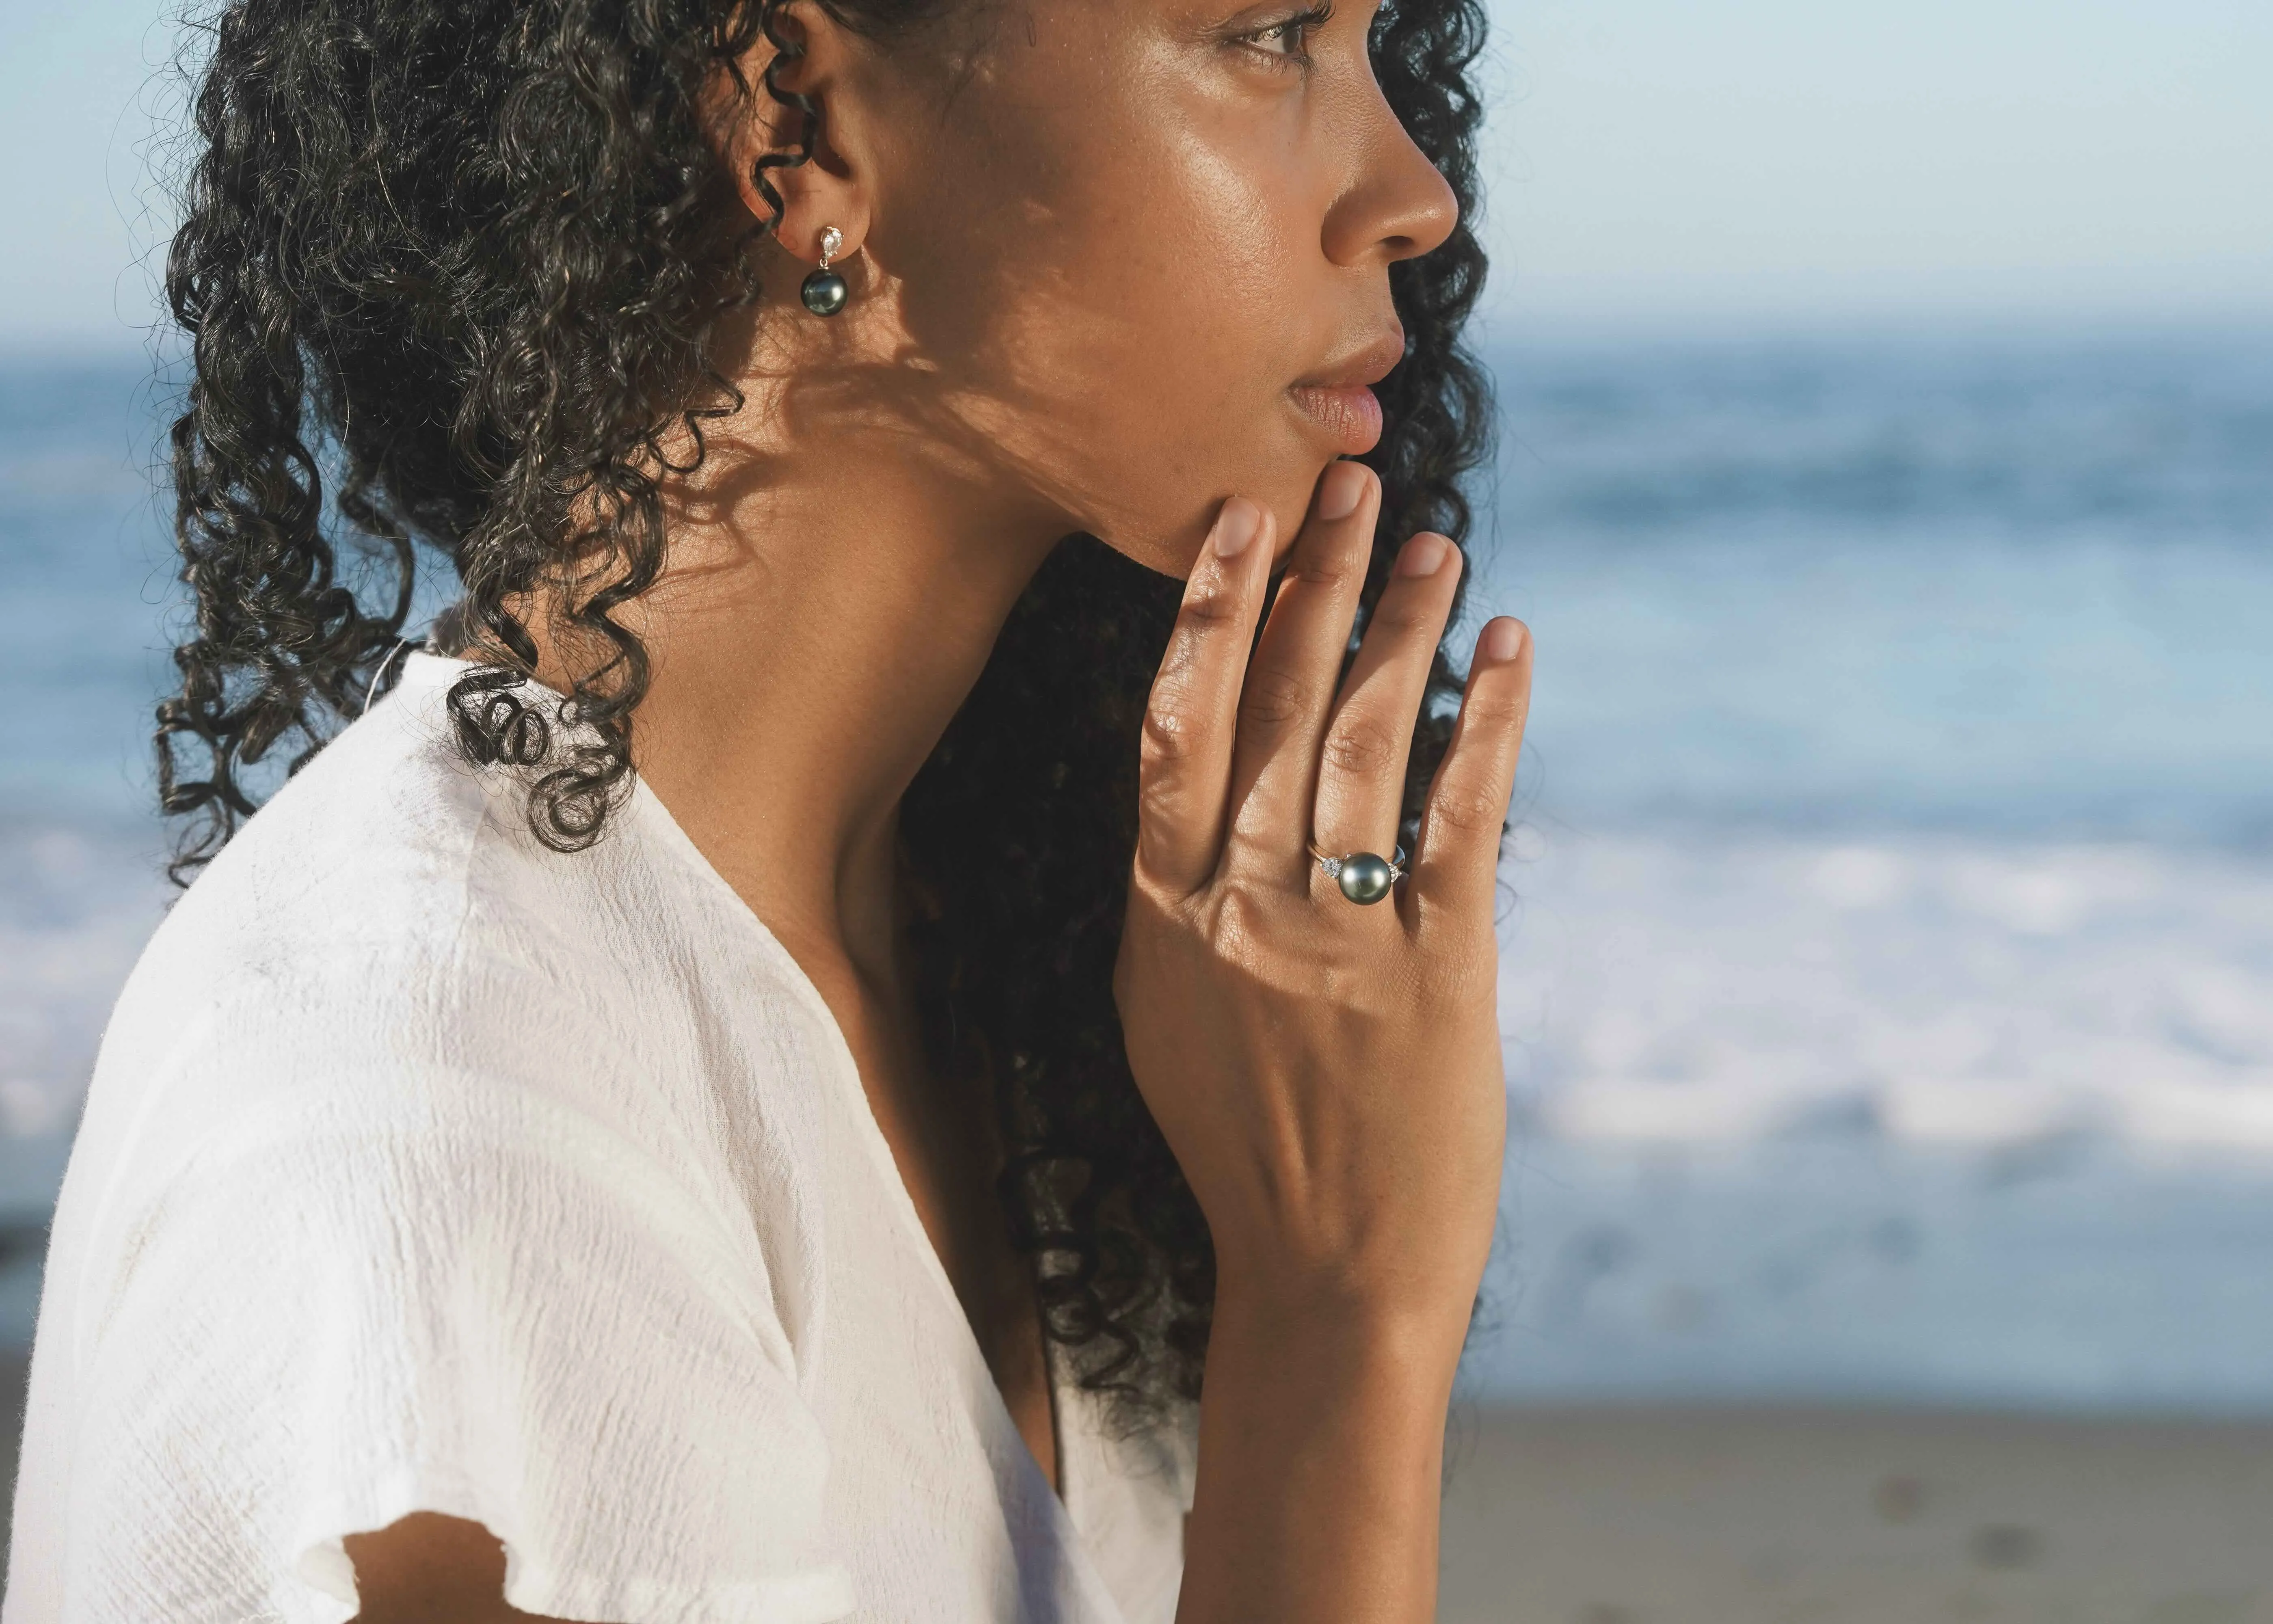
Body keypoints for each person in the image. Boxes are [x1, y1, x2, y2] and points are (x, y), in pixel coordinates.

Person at [4, 0, 1529, 1618]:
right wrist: (1341, 1318)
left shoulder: (1016, 963)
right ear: (791, 122)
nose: (1413, 188)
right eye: (1266, 33)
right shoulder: (446, 1110)